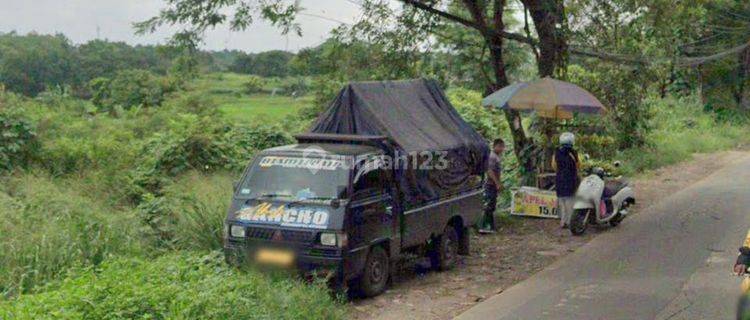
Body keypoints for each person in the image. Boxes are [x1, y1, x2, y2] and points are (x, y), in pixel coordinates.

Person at [552, 132, 580, 230]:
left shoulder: (556, 152)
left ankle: (562, 221)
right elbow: (578, 166)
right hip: (570, 180)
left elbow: (554, 166)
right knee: (570, 202)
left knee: (561, 202)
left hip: (560, 179)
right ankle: (569, 222)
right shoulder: (574, 153)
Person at [481, 138, 504, 234]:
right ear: (495, 146)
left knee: (492, 205)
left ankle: (490, 226)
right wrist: (497, 183)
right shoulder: (492, 157)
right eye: (501, 147)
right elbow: (489, 171)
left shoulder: (496, 156)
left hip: (493, 185)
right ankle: (485, 226)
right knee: (489, 206)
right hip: (490, 185)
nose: (502, 149)